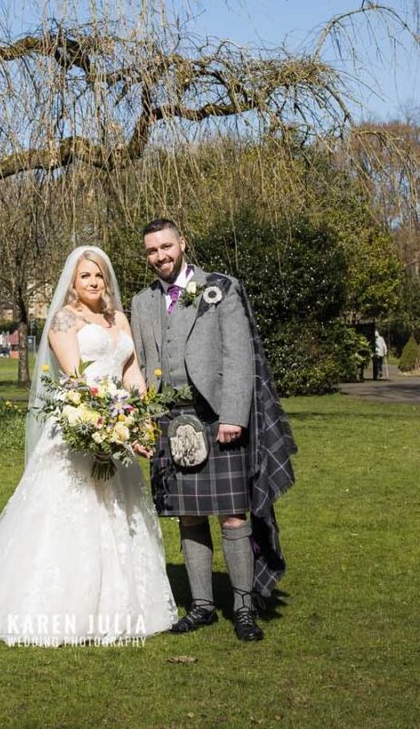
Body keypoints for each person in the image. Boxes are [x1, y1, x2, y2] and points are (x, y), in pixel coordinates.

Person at [0, 246, 174, 645]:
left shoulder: (118, 318)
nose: (94, 282)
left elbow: (132, 373)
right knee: (72, 514)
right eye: (85, 277)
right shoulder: (64, 319)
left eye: (99, 276)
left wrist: (140, 420)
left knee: (119, 513)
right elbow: (76, 378)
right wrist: (101, 424)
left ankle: (120, 607)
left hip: (118, 427)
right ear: (73, 283)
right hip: (82, 425)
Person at [132, 218, 297, 642]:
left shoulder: (220, 288)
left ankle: (243, 607)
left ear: (182, 243)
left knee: (231, 514)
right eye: (152, 251)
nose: (160, 256)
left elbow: (239, 356)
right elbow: (143, 364)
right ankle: (202, 606)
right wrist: (145, 418)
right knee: (187, 515)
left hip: (216, 416)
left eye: (166, 246)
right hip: (170, 419)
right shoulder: (142, 302)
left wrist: (234, 415)